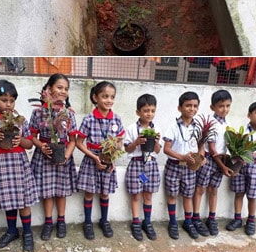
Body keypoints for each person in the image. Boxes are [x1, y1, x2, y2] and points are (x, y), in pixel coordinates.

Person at [0, 80, 38, 252]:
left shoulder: (19, 120)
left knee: (23, 201)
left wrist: (20, 141)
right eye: (4, 100)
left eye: (11, 101)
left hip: (18, 165)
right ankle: (11, 231)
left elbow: (29, 144)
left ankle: (27, 233)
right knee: (8, 201)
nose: (8, 104)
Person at [29, 74, 78, 240]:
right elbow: (32, 136)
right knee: (47, 192)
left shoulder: (69, 114)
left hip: (63, 157)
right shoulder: (39, 113)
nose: (63, 91)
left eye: (66, 88)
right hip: (44, 157)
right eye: (59, 87)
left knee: (61, 191)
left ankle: (61, 221)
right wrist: (41, 146)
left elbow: (73, 140)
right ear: (48, 89)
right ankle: (48, 222)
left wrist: (66, 155)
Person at [75, 81, 125, 240]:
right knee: (89, 193)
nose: (109, 100)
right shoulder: (89, 119)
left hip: (108, 162)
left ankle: (104, 221)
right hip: (92, 160)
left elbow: (119, 141)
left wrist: (113, 159)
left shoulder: (116, 119)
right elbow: (78, 143)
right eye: (105, 96)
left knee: (104, 193)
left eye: (112, 97)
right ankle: (88, 223)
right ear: (95, 97)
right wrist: (94, 157)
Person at [191, 90, 234, 237]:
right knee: (200, 188)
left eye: (228, 106)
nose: (225, 109)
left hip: (221, 161)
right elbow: (212, 148)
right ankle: (195, 217)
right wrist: (222, 166)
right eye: (221, 106)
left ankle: (211, 218)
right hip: (210, 160)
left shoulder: (229, 124)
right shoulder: (211, 123)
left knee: (214, 190)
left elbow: (228, 145)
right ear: (212, 107)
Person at [226, 101, 256, 236]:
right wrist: (239, 157)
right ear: (249, 115)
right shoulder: (243, 131)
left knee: (252, 196)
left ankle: (251, 221)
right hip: (241, 166)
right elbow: (235, 148)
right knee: (239, 193)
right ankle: (237, 219)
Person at [162, 91, 203, 240]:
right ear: (180, 108)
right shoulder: (173, 127)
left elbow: (201, 146)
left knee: (188, 195)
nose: (192, 109)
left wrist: (202, 157)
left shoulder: (198, 127)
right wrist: (182, 157)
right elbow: (166, 149)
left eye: (195, 106)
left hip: (190, 168)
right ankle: (172, 222)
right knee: (172, 195)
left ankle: (188, 221)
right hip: (174, 166)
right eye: (188, 106)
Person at [123, 94, 162, 241]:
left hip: (151, 164)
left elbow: (158, 151)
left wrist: (156, 142)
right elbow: (127, 149)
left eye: (152, 110)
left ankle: (147, 222)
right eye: (146, 110)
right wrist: (137, 142)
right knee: (136, 195)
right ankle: (135, 222)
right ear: (138, 112)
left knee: (148, 195)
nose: (149, 114)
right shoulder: (132, 128)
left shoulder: (156, 128)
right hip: (137, 164)